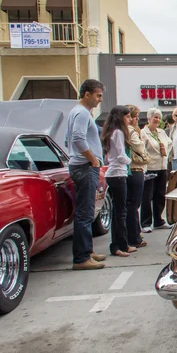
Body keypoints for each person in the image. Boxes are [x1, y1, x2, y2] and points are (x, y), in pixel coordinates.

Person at [65, 79, 107, 270]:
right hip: (84, 167)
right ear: (87, 94)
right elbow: (77, 138)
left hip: (82, 165)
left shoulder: (79, 112)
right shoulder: (82, 113)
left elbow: (70, 139)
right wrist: (93, 159)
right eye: (98, 95)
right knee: (85, 212)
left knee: (87, 211)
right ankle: (81, 258)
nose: (99, 100)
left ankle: (87, 251)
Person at [100, 105, 137, 258]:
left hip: (113, 173)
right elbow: (121, 155)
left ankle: (121, 244)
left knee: (118, 211)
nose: (130, 119)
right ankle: (119, 245)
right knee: (120, 212)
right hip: (118, 173)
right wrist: (132, 161)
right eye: (128, 117)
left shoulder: (110, 132)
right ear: (121, 117)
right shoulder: (119, 133)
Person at [141, 108, 173, 233]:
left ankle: (158, 220)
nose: (157, 120)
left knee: (160, 194)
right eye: (155, 117)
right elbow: (141, 148)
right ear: (149, 118)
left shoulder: (161, 132)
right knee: (147, 196)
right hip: (150, 167)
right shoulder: (143, 133)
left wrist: (164, 154)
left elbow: (169, 144)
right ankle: (145, 222)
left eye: (159, 118)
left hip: (162, 166)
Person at [124, 105, 149, 248]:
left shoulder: (122, 131)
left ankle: (132, 234)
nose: (137, 119)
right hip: (135, 169)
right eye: (135, 116)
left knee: (129, 205)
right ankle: (134, 237)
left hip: (130, 170)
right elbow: (140, 148)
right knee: (134, 205)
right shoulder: (131, 132)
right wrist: (147, 157)